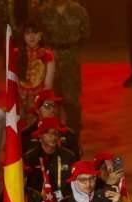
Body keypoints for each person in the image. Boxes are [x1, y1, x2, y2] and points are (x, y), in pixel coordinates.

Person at [37, 0, 90, 132]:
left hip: (71, 58)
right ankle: (53, 134)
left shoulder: (78, 10)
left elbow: (86, 34)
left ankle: (73, 136)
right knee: (51, 99)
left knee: (71, 100)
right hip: (50, 58)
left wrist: (72, 50)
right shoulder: (43, 12)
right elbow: (37, 35)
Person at [16, 21, 56, 125]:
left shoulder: (47, 55)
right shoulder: (17, 54)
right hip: (20, 97)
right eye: (27, 33)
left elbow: (48, 85)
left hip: (39, 97)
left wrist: (39, 102)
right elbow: (13, 82)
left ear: (40, 36)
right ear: (23, 37)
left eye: (35, 33)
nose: (31, 36)